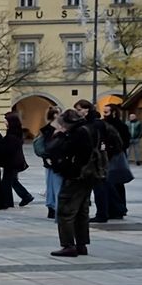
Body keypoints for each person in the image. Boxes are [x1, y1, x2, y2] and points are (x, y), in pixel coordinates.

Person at [48, 108, 96, 257]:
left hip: (75, 176)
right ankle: (81, 245)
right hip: (88, 175)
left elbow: (61, 150)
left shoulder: (76, 133)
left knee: (65, 211)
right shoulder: (89, 128)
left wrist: (59, 136)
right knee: (81, 211)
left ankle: (68, 245)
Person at [0, 113, 34, 208]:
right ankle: (25, 196)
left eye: (6, 120)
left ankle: (9, 202)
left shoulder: (12, 135)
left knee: (6, 182)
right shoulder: (14, 132)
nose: (4, 121)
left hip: (12, 162)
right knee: (12, 180)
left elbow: (9, 149)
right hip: (13, 161)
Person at [39, 107, 62, 219]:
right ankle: (52, 208)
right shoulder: (48, 129)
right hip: (51, 160)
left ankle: (54, 207)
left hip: (56, 160)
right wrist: (47, 157)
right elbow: (48, 146)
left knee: (54, 185)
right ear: (55, 115)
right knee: (52, 186)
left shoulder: (59, 128)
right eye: (59, 113)